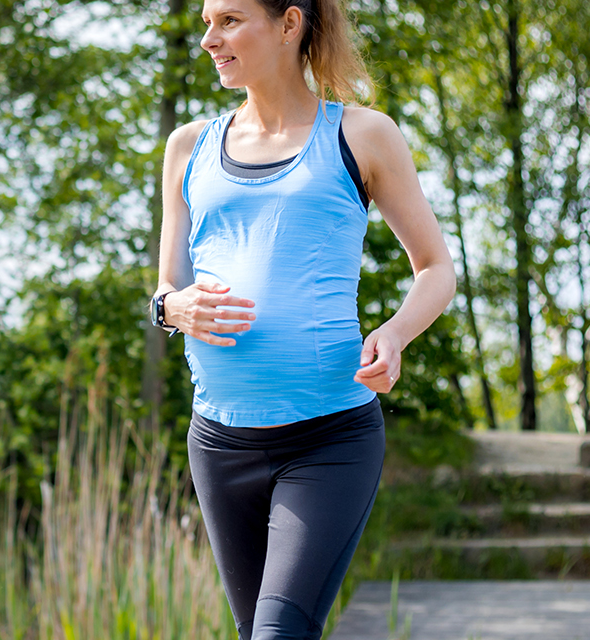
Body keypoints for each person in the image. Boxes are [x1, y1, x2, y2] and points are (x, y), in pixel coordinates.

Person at [147, 0, 457, 638]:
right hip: (218, 442)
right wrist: (172, 308)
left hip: (328, 439)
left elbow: (436, 268)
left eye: (230, 20)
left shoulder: (361, 136)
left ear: (290, 24)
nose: (209, 38)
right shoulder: (188, 147)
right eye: (207, 21)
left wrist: (394, 333)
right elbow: (166, 288)